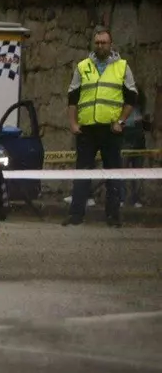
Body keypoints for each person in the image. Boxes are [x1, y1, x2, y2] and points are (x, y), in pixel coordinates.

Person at [63, 27, 139, 227]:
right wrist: (73, 123)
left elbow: (132, 98)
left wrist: (121, 121)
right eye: (97, 42)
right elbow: (72, 97)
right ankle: (76, 215)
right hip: (87, 128)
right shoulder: (83, 66)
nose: (100, 46)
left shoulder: (122, 67)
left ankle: (113, 216)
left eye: (104, 42)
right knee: (82, 172)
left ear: (111, 44)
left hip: (111, 129)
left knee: (113, 173)